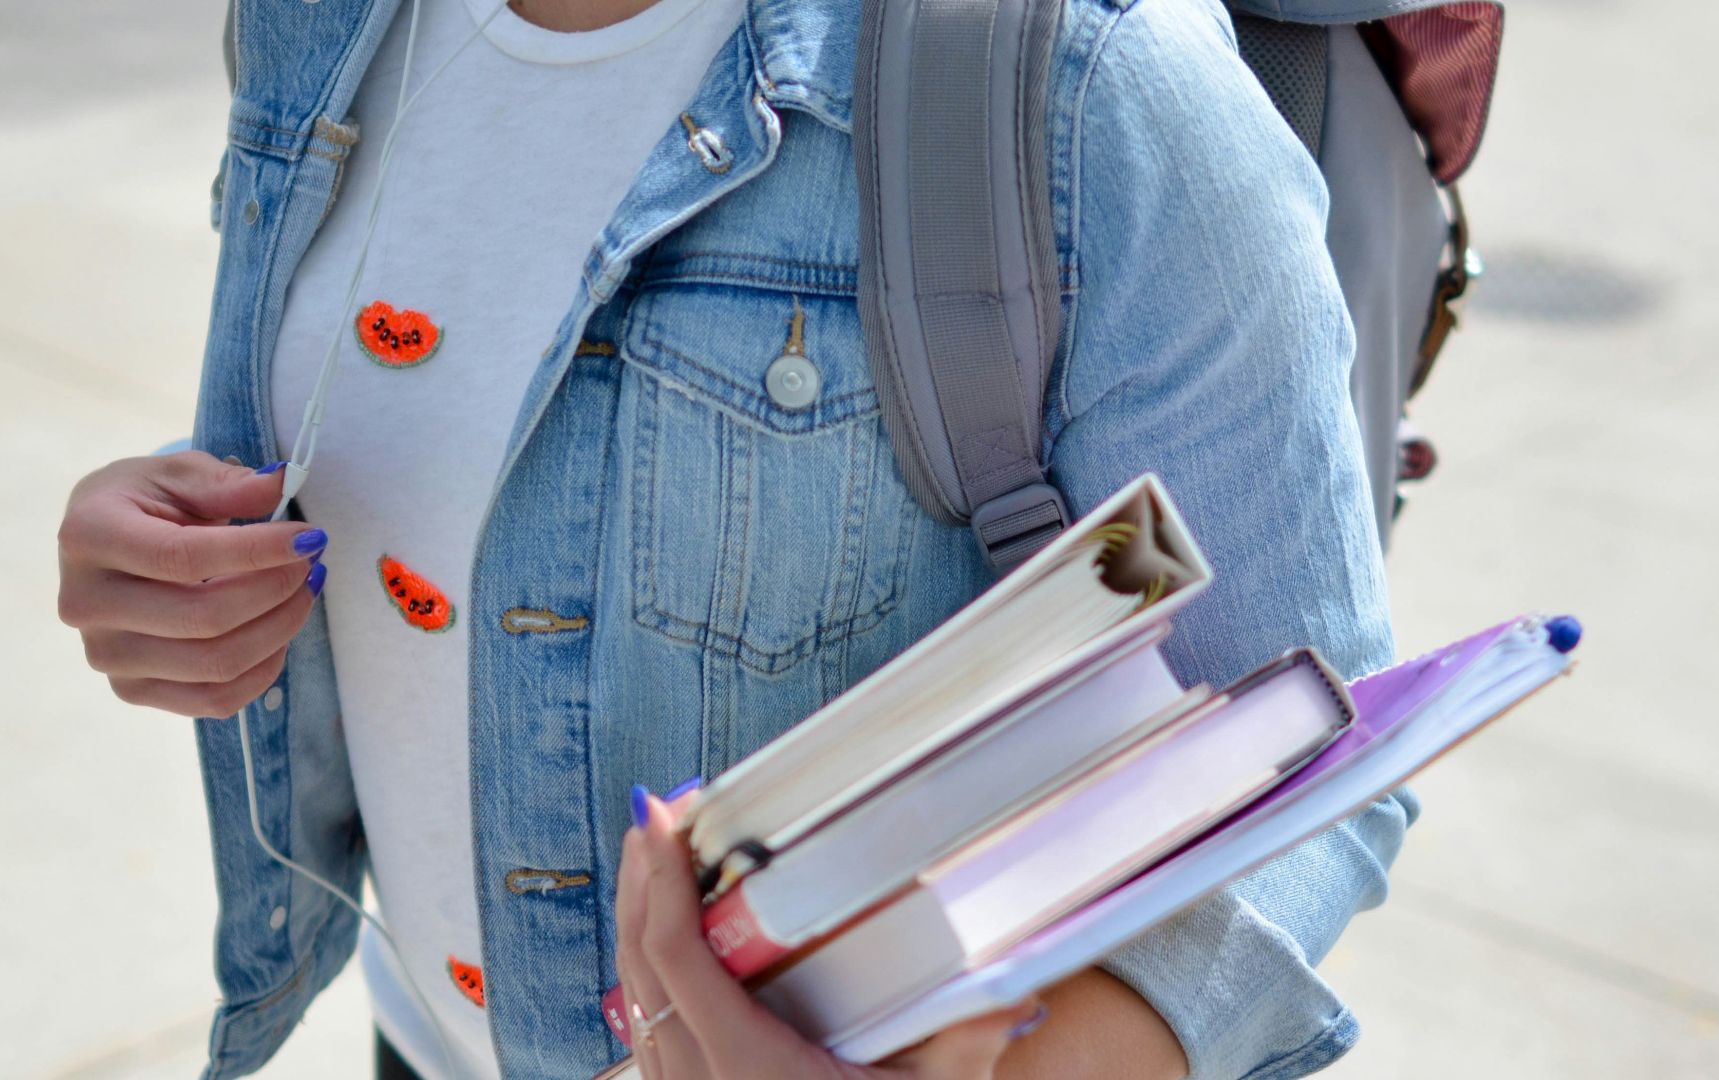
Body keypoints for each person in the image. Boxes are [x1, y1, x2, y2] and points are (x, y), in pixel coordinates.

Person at [54, 0, 1417, 1075]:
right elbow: (372, 447)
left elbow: (1308, 744)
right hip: (420, 1036)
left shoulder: (1086, 76)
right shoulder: (322, 22)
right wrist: (166, 568)